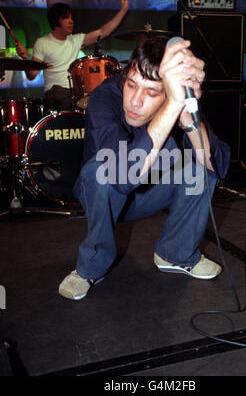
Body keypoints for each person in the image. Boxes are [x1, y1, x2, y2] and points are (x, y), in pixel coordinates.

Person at [58, 36, 231, 300]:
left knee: (197, 167)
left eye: (151, 93)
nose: (135, 101)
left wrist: (186, 115)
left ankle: (176, 253)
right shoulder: (105, 97)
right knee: (101, 171)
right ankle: (90, 268)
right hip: (105, 195)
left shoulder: (176, 100)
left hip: (148, 192)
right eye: (131, 85)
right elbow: (120, 176)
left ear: (168, 93)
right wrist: (171, 104)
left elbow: (214, 166)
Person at [15, 0, 129, 111]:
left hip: (75, 92)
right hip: (54, 92)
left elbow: (104, 32)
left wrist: (123, 9)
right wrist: (24, 57)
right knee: (63, 96)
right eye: (66, 18)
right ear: (56, 20)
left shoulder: (75, 40)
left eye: (72, 18)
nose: (71, 21)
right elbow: (32, 75)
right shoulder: (42, 42)